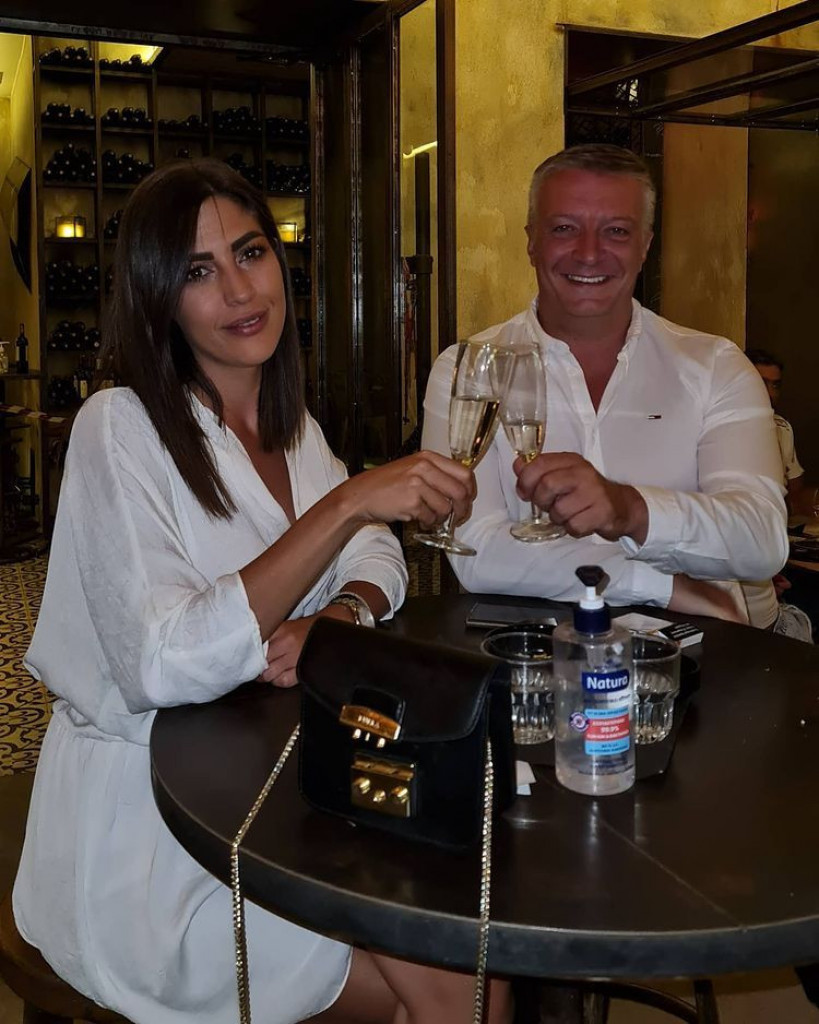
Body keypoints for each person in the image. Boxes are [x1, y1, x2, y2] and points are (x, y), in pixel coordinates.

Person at [13, 159, 511, 1024]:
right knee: (456, 985)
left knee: (467, 956)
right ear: (159, 297)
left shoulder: (294, 430)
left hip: (281, 787)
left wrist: (340, 613)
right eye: (198, 271)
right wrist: (349, 502)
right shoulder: (118, 427)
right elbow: (161, 662)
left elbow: (378, 556)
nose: (241, 290)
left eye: (251, 252)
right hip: (155, 835)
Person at [422, 144, 788, 626]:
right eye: (564, 228)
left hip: (701, 653)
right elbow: (477, 549)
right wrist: (664, 585)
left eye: (616, 231)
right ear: (531, 241)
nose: (589, 253)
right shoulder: (466, 370)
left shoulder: (716, 366)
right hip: (533, 655)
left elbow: (762, 539)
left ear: (645, 245)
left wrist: (630, 510)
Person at [746, 348, 812, 516]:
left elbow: (795, 488)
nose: (770, 393)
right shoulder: (720, 428)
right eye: (761, 383)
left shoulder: (782, 428)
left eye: (775, 385)